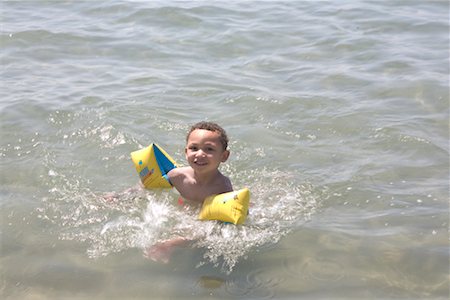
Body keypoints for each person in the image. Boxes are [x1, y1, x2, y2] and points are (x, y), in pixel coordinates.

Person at [144, 121, 233, 263]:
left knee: (204, 234)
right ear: (186, 152)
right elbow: (149, 185)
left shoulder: (223, 187)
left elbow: (219, 223)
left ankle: (169, 245)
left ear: (224, 156)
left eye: (209, 149)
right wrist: (121, 196)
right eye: (194, 148)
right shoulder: (178, 176)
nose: (200, 154)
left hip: (204, 220)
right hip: (181, 208)